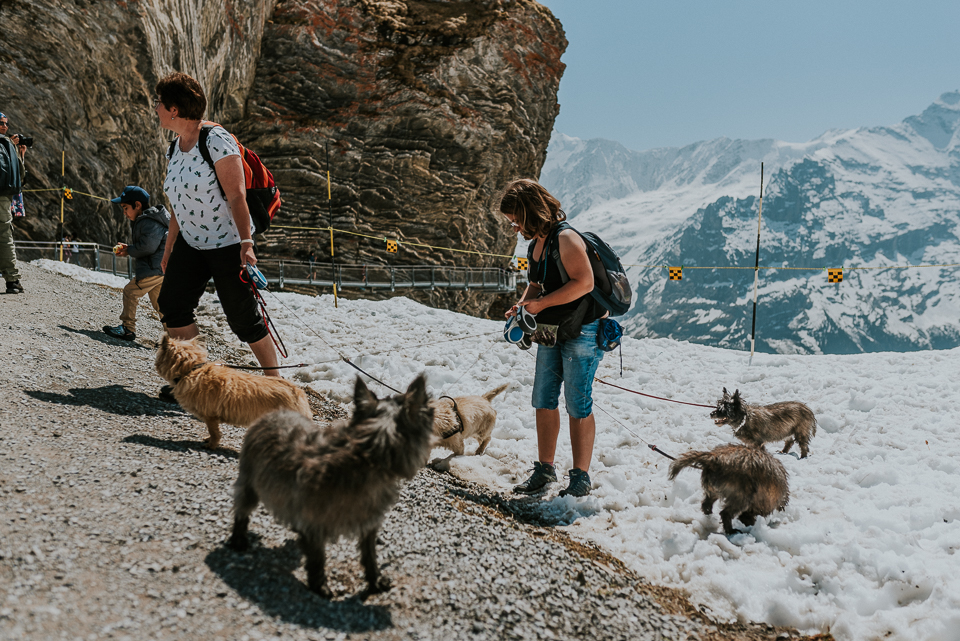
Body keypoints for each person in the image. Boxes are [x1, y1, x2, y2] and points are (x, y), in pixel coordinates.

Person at [153, 71, 280, 402]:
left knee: (243, 320)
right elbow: (179, 205)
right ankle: (196, 379)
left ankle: (276, 385)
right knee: (173, 304)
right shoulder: (174, 149)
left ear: (175, 109)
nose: (156, 108)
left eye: (159, 103)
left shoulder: (215, 140)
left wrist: (247, 245)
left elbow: (237, 196)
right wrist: (169, 249)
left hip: (228, 244)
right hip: (191, 244)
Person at [500, 179, 607, 498]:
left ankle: (580, 477)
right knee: (543, 398)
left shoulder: (567, 239)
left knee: (578, 403)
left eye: (516, 220)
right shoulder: (536, 245)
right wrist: (521, 305)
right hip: (550, 329)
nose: (515, 228)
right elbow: (535, 284)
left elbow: (585, 283)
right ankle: (545, 468)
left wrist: (541, 304)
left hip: (582, 330)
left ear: (529, 211)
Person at [102, 186, 170, 342]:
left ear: (137, 205)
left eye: (126, 208)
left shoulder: (147, 221)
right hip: (160, 269)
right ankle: (174, 336)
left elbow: (148, 247)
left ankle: (127, 329)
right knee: (161, 304)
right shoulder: (150, 220)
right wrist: (129, 248)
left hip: (153, 268)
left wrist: (129, 250)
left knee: (130, 292)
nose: (124, 213)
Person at [0, 112, 25, 293]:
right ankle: (12, 281)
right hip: (4, 197)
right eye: (2, 123)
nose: (5, 126)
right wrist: (20, 154)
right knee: (5, 236)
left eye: (6, 124)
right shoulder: (9, 144)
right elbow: (21, 175)